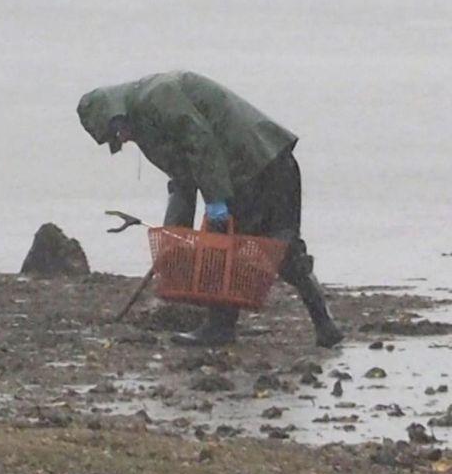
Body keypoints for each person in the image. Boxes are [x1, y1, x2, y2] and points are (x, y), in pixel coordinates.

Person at [76, 71, 343, 347]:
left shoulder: (158, 96)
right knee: (280, 246)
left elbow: (200, 143)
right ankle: (325, 325)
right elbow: (183, 179)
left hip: (253, 168)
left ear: (117, 114)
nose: (122, 139)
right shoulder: (145, 122)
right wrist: (175, 237)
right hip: (270, 159)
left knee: (229, 248)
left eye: (117, 132)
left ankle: (220, 328)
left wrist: (216, 201)